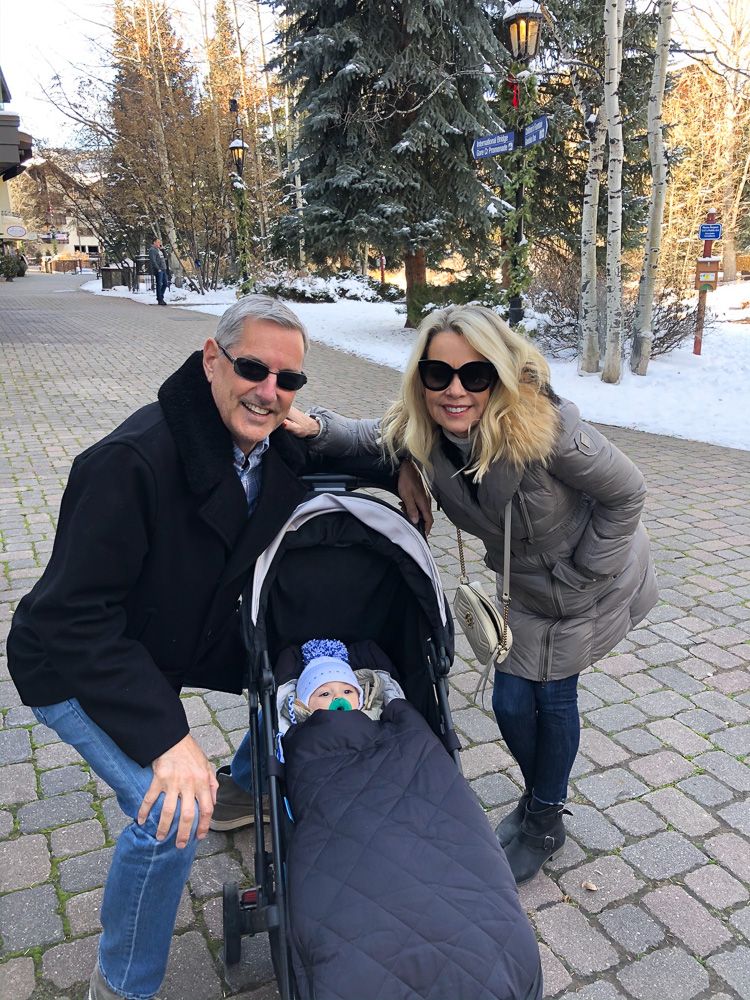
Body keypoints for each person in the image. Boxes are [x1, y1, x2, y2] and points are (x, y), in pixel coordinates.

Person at [7, 295, 320, 1000]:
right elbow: (73, 616)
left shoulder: (266, 443)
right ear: (211, 359)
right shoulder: (129, 461)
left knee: (286, 671)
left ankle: (242, 786)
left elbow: (321, 444)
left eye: (288, 380)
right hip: (71, 663)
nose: (269, 392)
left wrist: (397, 471)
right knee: (170, 816)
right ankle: (121, 986)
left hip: (169, 637)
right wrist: (167, 735)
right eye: (252, 368)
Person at [285, 304, 658, 886]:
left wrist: (585, 574)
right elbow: (373, 435)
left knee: (552, 701)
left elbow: (628, 494)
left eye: (475, 375)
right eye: (438, 374)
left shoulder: (549, 434)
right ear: (422, 378)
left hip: (593, 580)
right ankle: (541, 802)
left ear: (500, 377)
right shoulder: (427, 427)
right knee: (510, 703)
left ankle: (542, 818)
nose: (455, 390)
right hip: (527, 593)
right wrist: (319, 430)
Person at [148, 237, 169, 306]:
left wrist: (163, 250)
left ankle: (161, 296)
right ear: (154, 242)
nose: (159, 244)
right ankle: (160, 299)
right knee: (159, 284)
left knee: (165, 283)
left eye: (160, 242)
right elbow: (153, 260)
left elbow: (165, 257)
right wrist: (157, 268)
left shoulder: (159, 250)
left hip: (163, 268)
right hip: (159, 269)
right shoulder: (152, 250)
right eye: (158, 242)